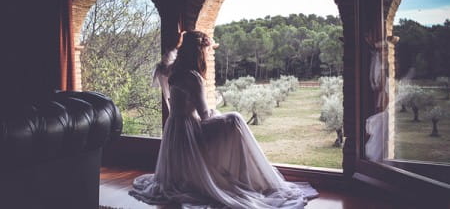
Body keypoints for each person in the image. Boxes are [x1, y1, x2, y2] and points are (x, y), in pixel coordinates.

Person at [129, 30, 318, 208]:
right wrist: (217, 106)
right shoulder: (193, 77)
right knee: (235, 120)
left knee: (231, 120)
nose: (206, 54)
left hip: (174, 128)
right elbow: (204, 116)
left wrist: (175, 45)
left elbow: (162, 66)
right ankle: (247, 178)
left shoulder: (172, 71)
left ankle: (243, 175)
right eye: (205, 50)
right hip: (189, 130)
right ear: (199, 52)